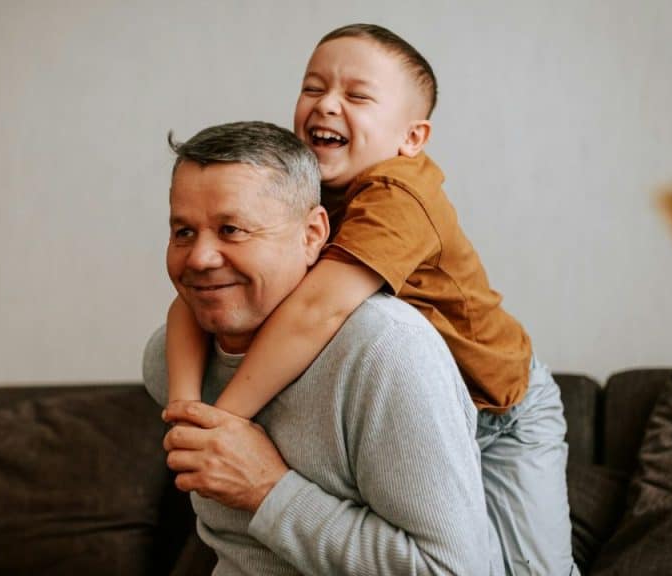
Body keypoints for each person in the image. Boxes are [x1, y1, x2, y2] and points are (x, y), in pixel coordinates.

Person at [166, 24, 576, 575]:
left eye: (357, 96)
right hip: (414, 411)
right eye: (313, 88)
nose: (327, 105)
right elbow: (190, 300)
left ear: (412, 138)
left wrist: (226, 424)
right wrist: (187, 414)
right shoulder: (297, 190)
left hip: (499, 410)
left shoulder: (399, 196)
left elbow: (318, 310)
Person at [144, 120, 501, 575]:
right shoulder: (170, 363)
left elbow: (452, 570)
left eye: (232, 229)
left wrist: (268, 490)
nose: (199, 258)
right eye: (184, 233)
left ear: (313, 235)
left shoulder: (387, 354)